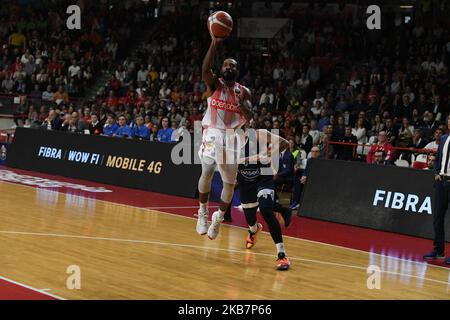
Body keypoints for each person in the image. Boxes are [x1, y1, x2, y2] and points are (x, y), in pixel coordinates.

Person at [196, 28, 252, 240]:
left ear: (237, 72)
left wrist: (241, 105)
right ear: (221, 69)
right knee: (208, 169)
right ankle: (202, 213)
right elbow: (204, 69)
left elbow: (250, 114)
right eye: (226, 64)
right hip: (213, 133)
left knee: (229, 184)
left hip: (233, 137)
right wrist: (214, 43)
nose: (229, 67)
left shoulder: (243, 91)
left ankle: (218, 218)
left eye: (233, 66)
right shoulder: (214, 84)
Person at [237, 129, 291, 270]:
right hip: (245, 179)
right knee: (250, 218)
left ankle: (282, 254)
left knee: (266, 209)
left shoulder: (258, 134)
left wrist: (267, 155)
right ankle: (254, 230)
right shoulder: (226, 139)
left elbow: (284, 143)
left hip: (263, 176)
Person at [423, 117, 450, 264]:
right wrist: (436, 173)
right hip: (441, 182)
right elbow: (437, 159)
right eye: (449, 119)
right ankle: (439, 250)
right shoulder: (444, 138)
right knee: (437, 218)